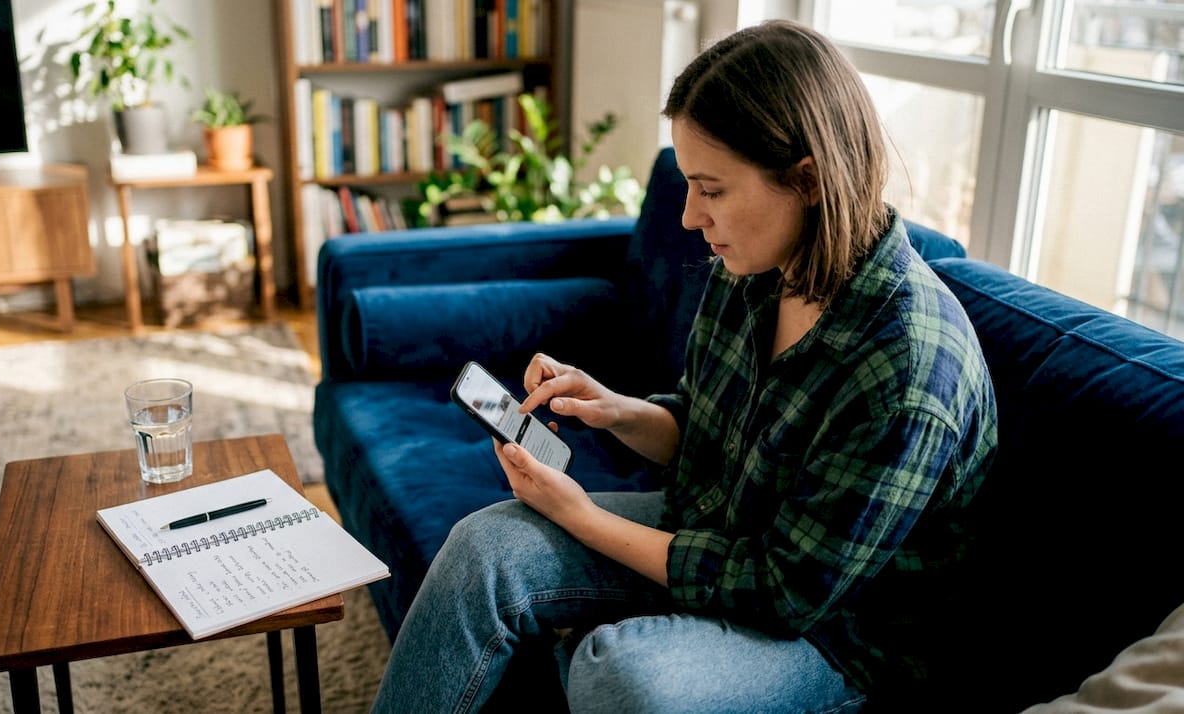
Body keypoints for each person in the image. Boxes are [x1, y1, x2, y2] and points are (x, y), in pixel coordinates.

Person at [371, 18, 997, 714]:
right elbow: (706, 429)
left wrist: (581, 516)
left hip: (838, 640)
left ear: (808, 180)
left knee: (619, 675)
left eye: (712, 189)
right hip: (718, 529)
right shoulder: (756, 266)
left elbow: (785, 593)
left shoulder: (906, 370)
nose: (690, 217)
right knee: (482, 548)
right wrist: (618, 410)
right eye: (689, 185)